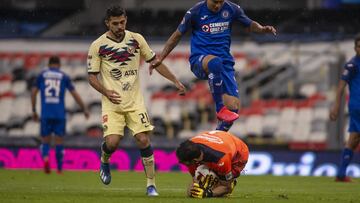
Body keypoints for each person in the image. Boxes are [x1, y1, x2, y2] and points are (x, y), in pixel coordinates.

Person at [87, 6, 186, 196]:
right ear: (107, 23)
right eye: (115, 23)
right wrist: (106, 91)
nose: (119, 26)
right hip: (112, 103)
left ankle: (151, 185)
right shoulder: (97, 45)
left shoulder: (136, 39)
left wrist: (175, 81)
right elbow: (92, 77)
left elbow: (155, 62)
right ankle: (105, 159)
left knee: (143, 139)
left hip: (135, 102)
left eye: (122, 22)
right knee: (113, 143)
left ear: (126, 20)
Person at [150, 0, 276, 131]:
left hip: (225, 63)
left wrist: (261, 29)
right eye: (215, 2)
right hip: (200, 59)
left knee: (233, 108)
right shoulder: (195, 12)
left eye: (220, 2)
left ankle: (216, 136)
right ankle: (219, 108)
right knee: (215, 62)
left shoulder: (232, 9)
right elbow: (177, 35)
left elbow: (249, 25)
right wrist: (161, 58)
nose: (218, 6)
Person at [31, 56, 89, 174]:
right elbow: (74, 94)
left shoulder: (42, 75)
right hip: (59, 114)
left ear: (49, 64)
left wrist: (33, 110)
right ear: (59, 64)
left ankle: (46, 158)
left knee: (45, 141)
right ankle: (59, 169)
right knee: (59, 142)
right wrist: (84, 108)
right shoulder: (64, 76)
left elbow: (33, 93)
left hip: (46, 113)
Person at [176, 130, 249, 198]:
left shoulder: (221, 159)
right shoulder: (190, 148)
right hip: (220, 140)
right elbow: (194, 182)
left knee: (220, 185)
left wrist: (208, 193)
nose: (183, 164)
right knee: (204, 179)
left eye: (184, 163)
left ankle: (230, 179)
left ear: (194, 160)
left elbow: (226, 187)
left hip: (239, 153)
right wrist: (192, 190)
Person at [330, 34, 360, 182]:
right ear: (355, 48)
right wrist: (336, 105)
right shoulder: (352, 64)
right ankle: (341, 173)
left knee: (354, 139)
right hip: (358, 105)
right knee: (354, 138)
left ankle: (341, 173)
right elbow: (341, 87)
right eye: (359, 46)